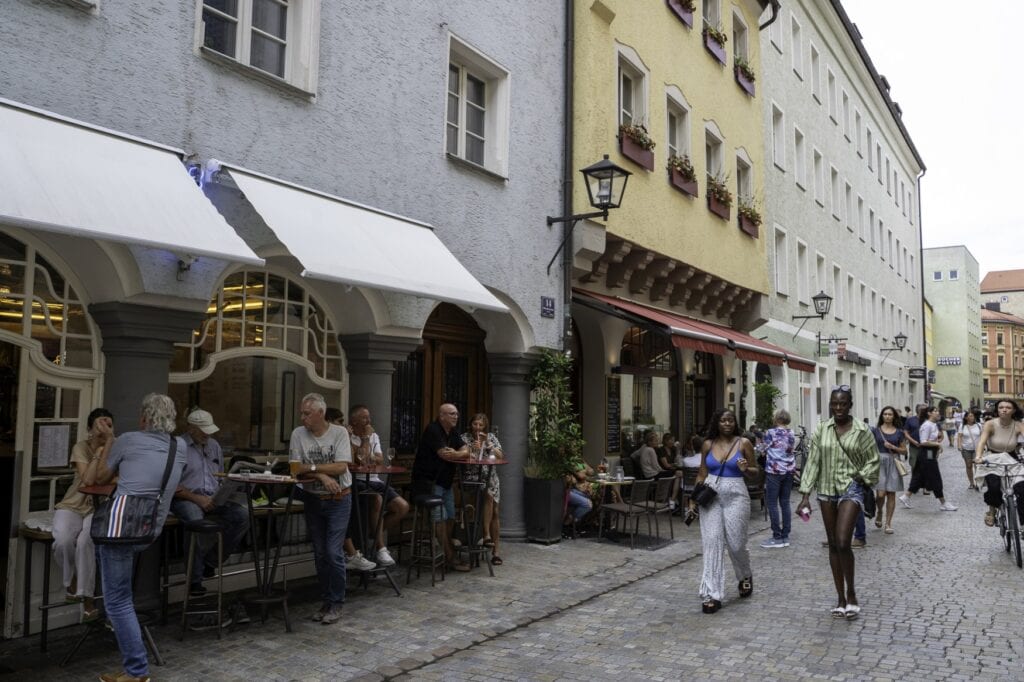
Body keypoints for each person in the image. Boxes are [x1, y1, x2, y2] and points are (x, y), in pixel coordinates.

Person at [94, 394, 186, 682]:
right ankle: (132, 668)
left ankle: (136, 672)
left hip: (122, 527)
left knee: (117, 601)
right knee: (121, 594)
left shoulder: (129, 440)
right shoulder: (179, 446)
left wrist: (109, 438)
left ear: (145, 418)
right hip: (149, 529)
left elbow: (99, 478)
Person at [796, 386, 878, 620]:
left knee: (843, 541)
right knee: (833, 544)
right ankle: (840, 599)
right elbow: (813, 461)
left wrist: (862, 477)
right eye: (834, 404)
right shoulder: (822, 428)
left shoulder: (862, 430)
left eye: (843, 404)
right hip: (825, 489)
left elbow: (872, 460)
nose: (838, 408)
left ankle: (852, 593)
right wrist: (805, 495)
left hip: (850, 487)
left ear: (850, 405)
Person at [171, 408, 250, 602]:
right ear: (190, 428)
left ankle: (211, 561)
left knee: (243, 516)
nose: (207, 434)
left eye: (209, 430)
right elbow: (171, 484)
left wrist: (226, 492)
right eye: (202, 430)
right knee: (196, 522)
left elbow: (220, 474)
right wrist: (197, 499)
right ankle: (195, 579)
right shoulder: (178, 446)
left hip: (213, 496)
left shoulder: (213, 445)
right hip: (186, 497)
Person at [289, 393, 352, 625]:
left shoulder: (339, 433)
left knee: (333, 552)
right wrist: (322, 474)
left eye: (307, 413)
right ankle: (326, 601)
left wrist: (313, 468)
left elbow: (341, 466)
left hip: (338, 499)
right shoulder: (298, 434)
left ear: (320, 413)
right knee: (319, 552)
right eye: (302, 413)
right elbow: (296, 468)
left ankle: (337, 602)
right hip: (313, 499)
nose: (302, 417)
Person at [689, 409, 757, 614]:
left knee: (736, 544)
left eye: (730, 420)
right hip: (711, 496)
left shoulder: (744, 443)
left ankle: (745, 575)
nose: (727, 423)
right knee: (712, 543)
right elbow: (702, 472)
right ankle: (712, 594)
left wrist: (746, 469)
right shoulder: (707, 444)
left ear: (735, 423)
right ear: (717, 423)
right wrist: (693, 499)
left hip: (736, 495)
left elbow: (756, 473)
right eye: (723, 420)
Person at [52, 407, 114, 623]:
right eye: (98, 426)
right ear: (89, 429)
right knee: (62, 540)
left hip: (99, 506)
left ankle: (86, 598)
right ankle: (71, 580)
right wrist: (98, 451)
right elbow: (88, 480)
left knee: (86, 540)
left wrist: (107, 445)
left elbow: (113, 479)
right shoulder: (80, 447)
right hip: (73, 503)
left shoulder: (115, 449)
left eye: (107, 426)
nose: (102, 430)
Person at [344, 405, 408, 570]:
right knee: (377, 499)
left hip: (374, 479)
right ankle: (380, 547)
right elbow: (359, 460)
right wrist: (365, 443)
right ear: (354, 420)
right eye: (365, 418)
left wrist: (366, 455)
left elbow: (379, 459)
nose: (369, 421)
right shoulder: (347, 436)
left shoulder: (374, 435)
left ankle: (373, 534)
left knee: (402, 507)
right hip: (356, 480)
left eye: (369, 417)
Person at [411, 403, 471, 572]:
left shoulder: (452, 432)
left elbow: (465, 450)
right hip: (429, 483)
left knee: (451, 517)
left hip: (446, 483)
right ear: (442, 416)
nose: (456, 417)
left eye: (457, 414)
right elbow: (444, 454)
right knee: (440, 519)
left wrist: (458, 453)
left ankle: (444, 548)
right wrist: (460, 453)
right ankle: (450, 557)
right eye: (452, 414)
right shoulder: (433, 430)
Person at [460, 413, 504, 565]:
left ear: (485, 426)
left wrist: (489, 446)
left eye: (481, 425)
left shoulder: (490, 437)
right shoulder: (464, 438)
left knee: (496, 511)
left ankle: (496, 551)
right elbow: (463, 457)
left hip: (490, 477)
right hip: (472, 477)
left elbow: (500, 455)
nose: (478, 428)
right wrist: (473, 449)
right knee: (488, 497)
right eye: (475, 424)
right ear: (470, 425)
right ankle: (485, 535)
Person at [973, 399, 1024, 527]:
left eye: (1008, 407)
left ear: (1013, 410)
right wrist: (979, 456)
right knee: (994, 486)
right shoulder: (990, 424)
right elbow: (982, 442)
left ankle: (1023, 524)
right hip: (992, 457)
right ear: (997, 410)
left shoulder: (1018, 425)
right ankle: (992, 510)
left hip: (1011, 457)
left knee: (1021, 488)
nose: (1004, 410)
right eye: (1001, 407)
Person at [899, 406, 957, 511]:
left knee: (919, 476)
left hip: (928, 452)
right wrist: (937, 445)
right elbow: (923, 441)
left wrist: (937, 443)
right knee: (935, 477)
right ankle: (943, 503)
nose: (938, 412)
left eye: (938, 411)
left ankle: (906, 496)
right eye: (935, 411)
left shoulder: (933, 424)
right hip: (926, 453)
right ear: (929, 413)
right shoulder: (927, 425)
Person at [759, 410, 796, 549]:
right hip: (789, 470)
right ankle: (785, 535)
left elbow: (762, 448)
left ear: (776, 419)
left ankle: (777, 536)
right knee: (785, 502)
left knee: (772, 503)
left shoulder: (771, 433)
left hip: (774, 471)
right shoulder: (791, 433)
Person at [870, 406, 906, 534]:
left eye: (890, 414)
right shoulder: (876, 431)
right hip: (879, 462)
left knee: (891, 493)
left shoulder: (899, 432)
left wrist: (893, 447)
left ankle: (888, 523)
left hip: (893, 461)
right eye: (885, 414)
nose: (887, 416)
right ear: (882, 416)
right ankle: (879, 511)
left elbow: (904, 450)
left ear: (894, 416)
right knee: (880, 494)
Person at [632, 431, 682, 505]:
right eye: (655, 440)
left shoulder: (644, 448)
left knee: (675, 475)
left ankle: (671, 499)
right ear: (650, 442)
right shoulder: (651, 450)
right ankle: (672, 499)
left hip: (648, 475)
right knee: (678, 473)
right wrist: (664, 471)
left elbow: (633, 456)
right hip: (653, 475)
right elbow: (656, 467)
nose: (657, 442)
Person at [957, 410, 983, 491]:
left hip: (977, 449)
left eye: (973, 416)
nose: (972, 417)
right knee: (969, 466)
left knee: (977, 466)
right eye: (970, 416)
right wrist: (959, 445)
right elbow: (959, 437)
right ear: (966, 417)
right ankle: (971, 483)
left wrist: (984, 446)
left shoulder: (979, 425)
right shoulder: (962, 426)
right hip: (966, 449)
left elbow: (983, 436)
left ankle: (978, 483)